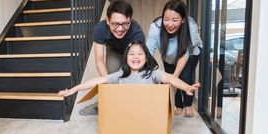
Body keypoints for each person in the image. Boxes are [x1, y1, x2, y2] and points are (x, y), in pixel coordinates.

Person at [58, 41, 200, 99]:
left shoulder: (152, 74)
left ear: (146, 58)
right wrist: (74, 89)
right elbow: (98, 80)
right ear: (126, 58)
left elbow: (169, 78)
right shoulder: (121, 75)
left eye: (140, 54)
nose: (135, 57)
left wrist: (186, 86)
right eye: (131, 54)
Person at [79, 0, 145, 115]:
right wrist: (107, 82)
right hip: (113, 49)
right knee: (111, 75)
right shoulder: (99, 29)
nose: (120, 29)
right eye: (115, 24)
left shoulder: (137, 32)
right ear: (107, 21)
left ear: (130, 20)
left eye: (125, 24)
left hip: (131, 52)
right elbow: (99, 60)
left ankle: (129, 106)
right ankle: (103, 105)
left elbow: (139, 61)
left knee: (130, 77)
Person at [146, 0, 203, 117]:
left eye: (175, 20)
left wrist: (174, 79)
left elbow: (184, 54)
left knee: (185, 76)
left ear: (183, 20)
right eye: (166, 19)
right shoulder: (155, 27)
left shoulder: (191, 27)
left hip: (189, 54)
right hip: (169, 55)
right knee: (169, 75)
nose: (170, 24)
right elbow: (148, 52)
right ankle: (179, 105)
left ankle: (187, 105)